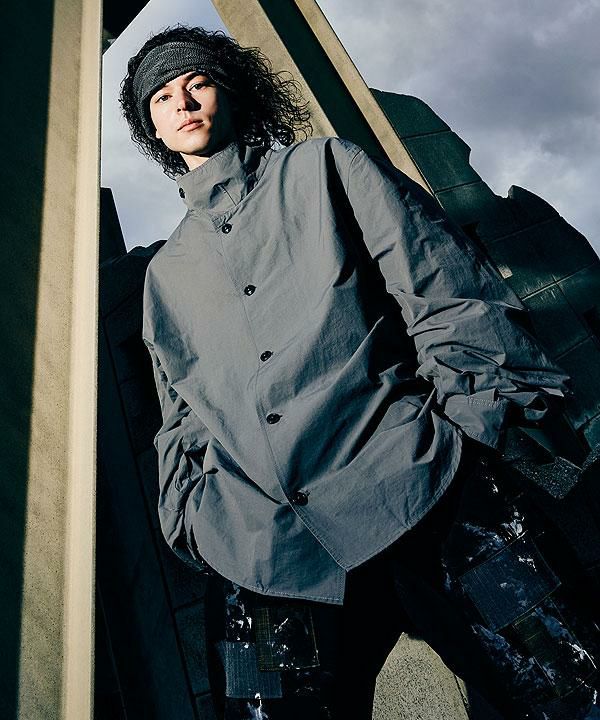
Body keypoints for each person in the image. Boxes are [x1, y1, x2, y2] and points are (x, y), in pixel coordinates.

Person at [120, 25, 600, 719]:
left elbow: (438, 282)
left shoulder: (326, 167)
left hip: (420, 487)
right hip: (264, 552)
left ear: (233, 93)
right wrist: (194, 518)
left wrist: (471, 426)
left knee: (567, 687)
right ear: (154, 130)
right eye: (162, 98)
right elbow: (181, 415)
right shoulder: (165, 277)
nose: (183, 103)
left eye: (197, 83)